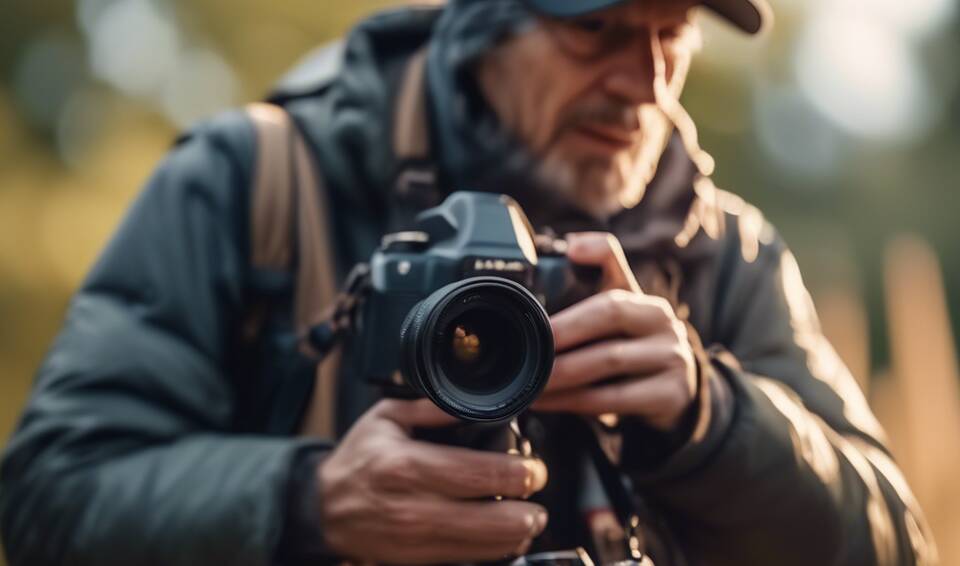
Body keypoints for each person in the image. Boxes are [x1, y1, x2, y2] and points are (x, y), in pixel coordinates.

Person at [0, 0, 939, 564]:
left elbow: (895, 542)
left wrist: (709, 416)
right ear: (482, 24)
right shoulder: (257, 181)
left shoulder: (721, 252)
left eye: (672, 29)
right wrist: (310, 501)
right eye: (601, 28)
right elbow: (46, 496)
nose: (646, 81)